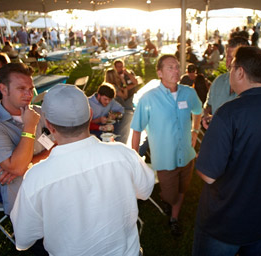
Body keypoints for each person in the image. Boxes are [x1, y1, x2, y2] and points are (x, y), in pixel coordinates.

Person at [10, 84, 154, 255]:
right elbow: (145, 191)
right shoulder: (124, 154)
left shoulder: (36, 178)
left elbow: (23, 238)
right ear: (91, 114)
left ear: (49, 125)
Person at [193, 46, 261, 256]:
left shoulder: (228, 113)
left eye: (231, 67)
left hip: (224, 222)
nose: (229, 72)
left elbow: (207, 175)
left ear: (240, 72)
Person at [131, 54, 202, 236]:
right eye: (170, 67)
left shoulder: (189, 93)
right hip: (164, 159)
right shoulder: (148, 99)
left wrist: (195, 131)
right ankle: (166, 199)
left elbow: (197, 111)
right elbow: (137, 129)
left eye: (177, 66)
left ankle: (174, 219)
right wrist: (134, 157)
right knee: (171, 195)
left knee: (182, 190)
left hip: (186, 155)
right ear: (160, 72)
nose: (176, 70)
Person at [0, 63, 51, 217]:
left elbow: (60, 145)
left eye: (30, 89)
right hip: (25, 205)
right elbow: (17, 168)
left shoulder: (39, 112)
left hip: (52, 190)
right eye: (21, 89)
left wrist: (28, 163)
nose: (29, 94)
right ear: (3, 89)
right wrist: (29, 126)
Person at [202, 36, 250, 128]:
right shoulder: (218, 81)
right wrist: (206, 114)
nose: (230, 63)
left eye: (234, 58)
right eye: (228, 57)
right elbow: (208, 105)